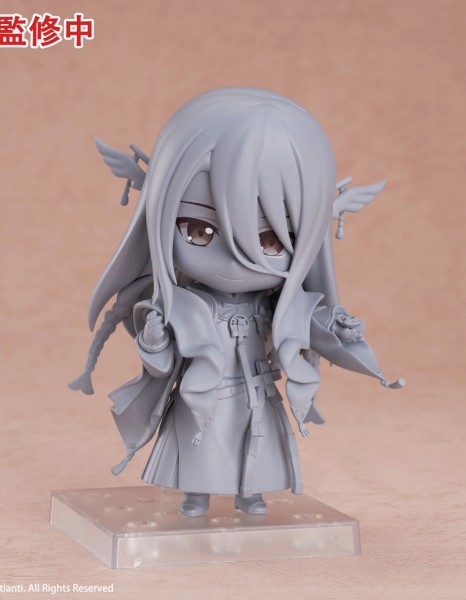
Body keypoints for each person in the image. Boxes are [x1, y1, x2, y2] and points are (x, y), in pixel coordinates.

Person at [70, 87, 403, 516]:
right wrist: (154, 341)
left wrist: (338, 328)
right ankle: (195, 493)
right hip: (201, 397)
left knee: (253, 448)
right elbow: (162, 364)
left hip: (256, 393)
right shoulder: (184, 305)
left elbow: (307, 324)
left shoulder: (275, 305)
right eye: (198, 231)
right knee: (200, 444)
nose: (233, 259)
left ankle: (251, 493)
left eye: (270, 240)